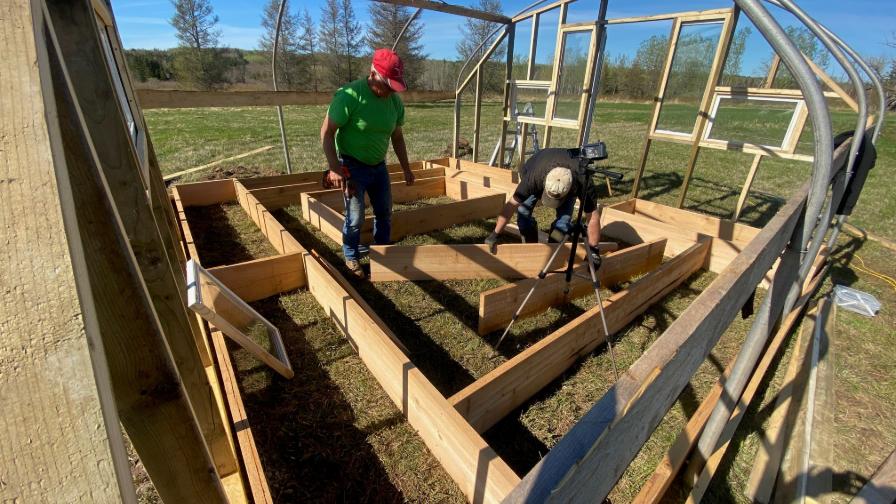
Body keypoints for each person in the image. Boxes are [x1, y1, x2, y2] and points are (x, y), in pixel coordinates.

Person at [320, 48, 415, 277]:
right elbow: (327, 132)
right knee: (355, 218)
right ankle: (351, 256)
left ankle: (382, 252)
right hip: (352, 166)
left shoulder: (394, 102)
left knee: (384, 212)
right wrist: (334, 168)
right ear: (373, 74)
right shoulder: (350, 96)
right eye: (386, 85)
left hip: (378, 166)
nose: (389, 91)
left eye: (394, 87)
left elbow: (398, 137)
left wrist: (406, 168)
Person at [484, 148, 603, 263]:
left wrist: (594, 251)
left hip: (569, 178)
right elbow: (511, 205)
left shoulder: (583, 180)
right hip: (538, 165)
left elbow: (592, 216)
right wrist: (495, 233)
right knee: (523, 213)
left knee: (563, 222)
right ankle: (530, 247)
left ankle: (553, 249)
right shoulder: (532, 178)